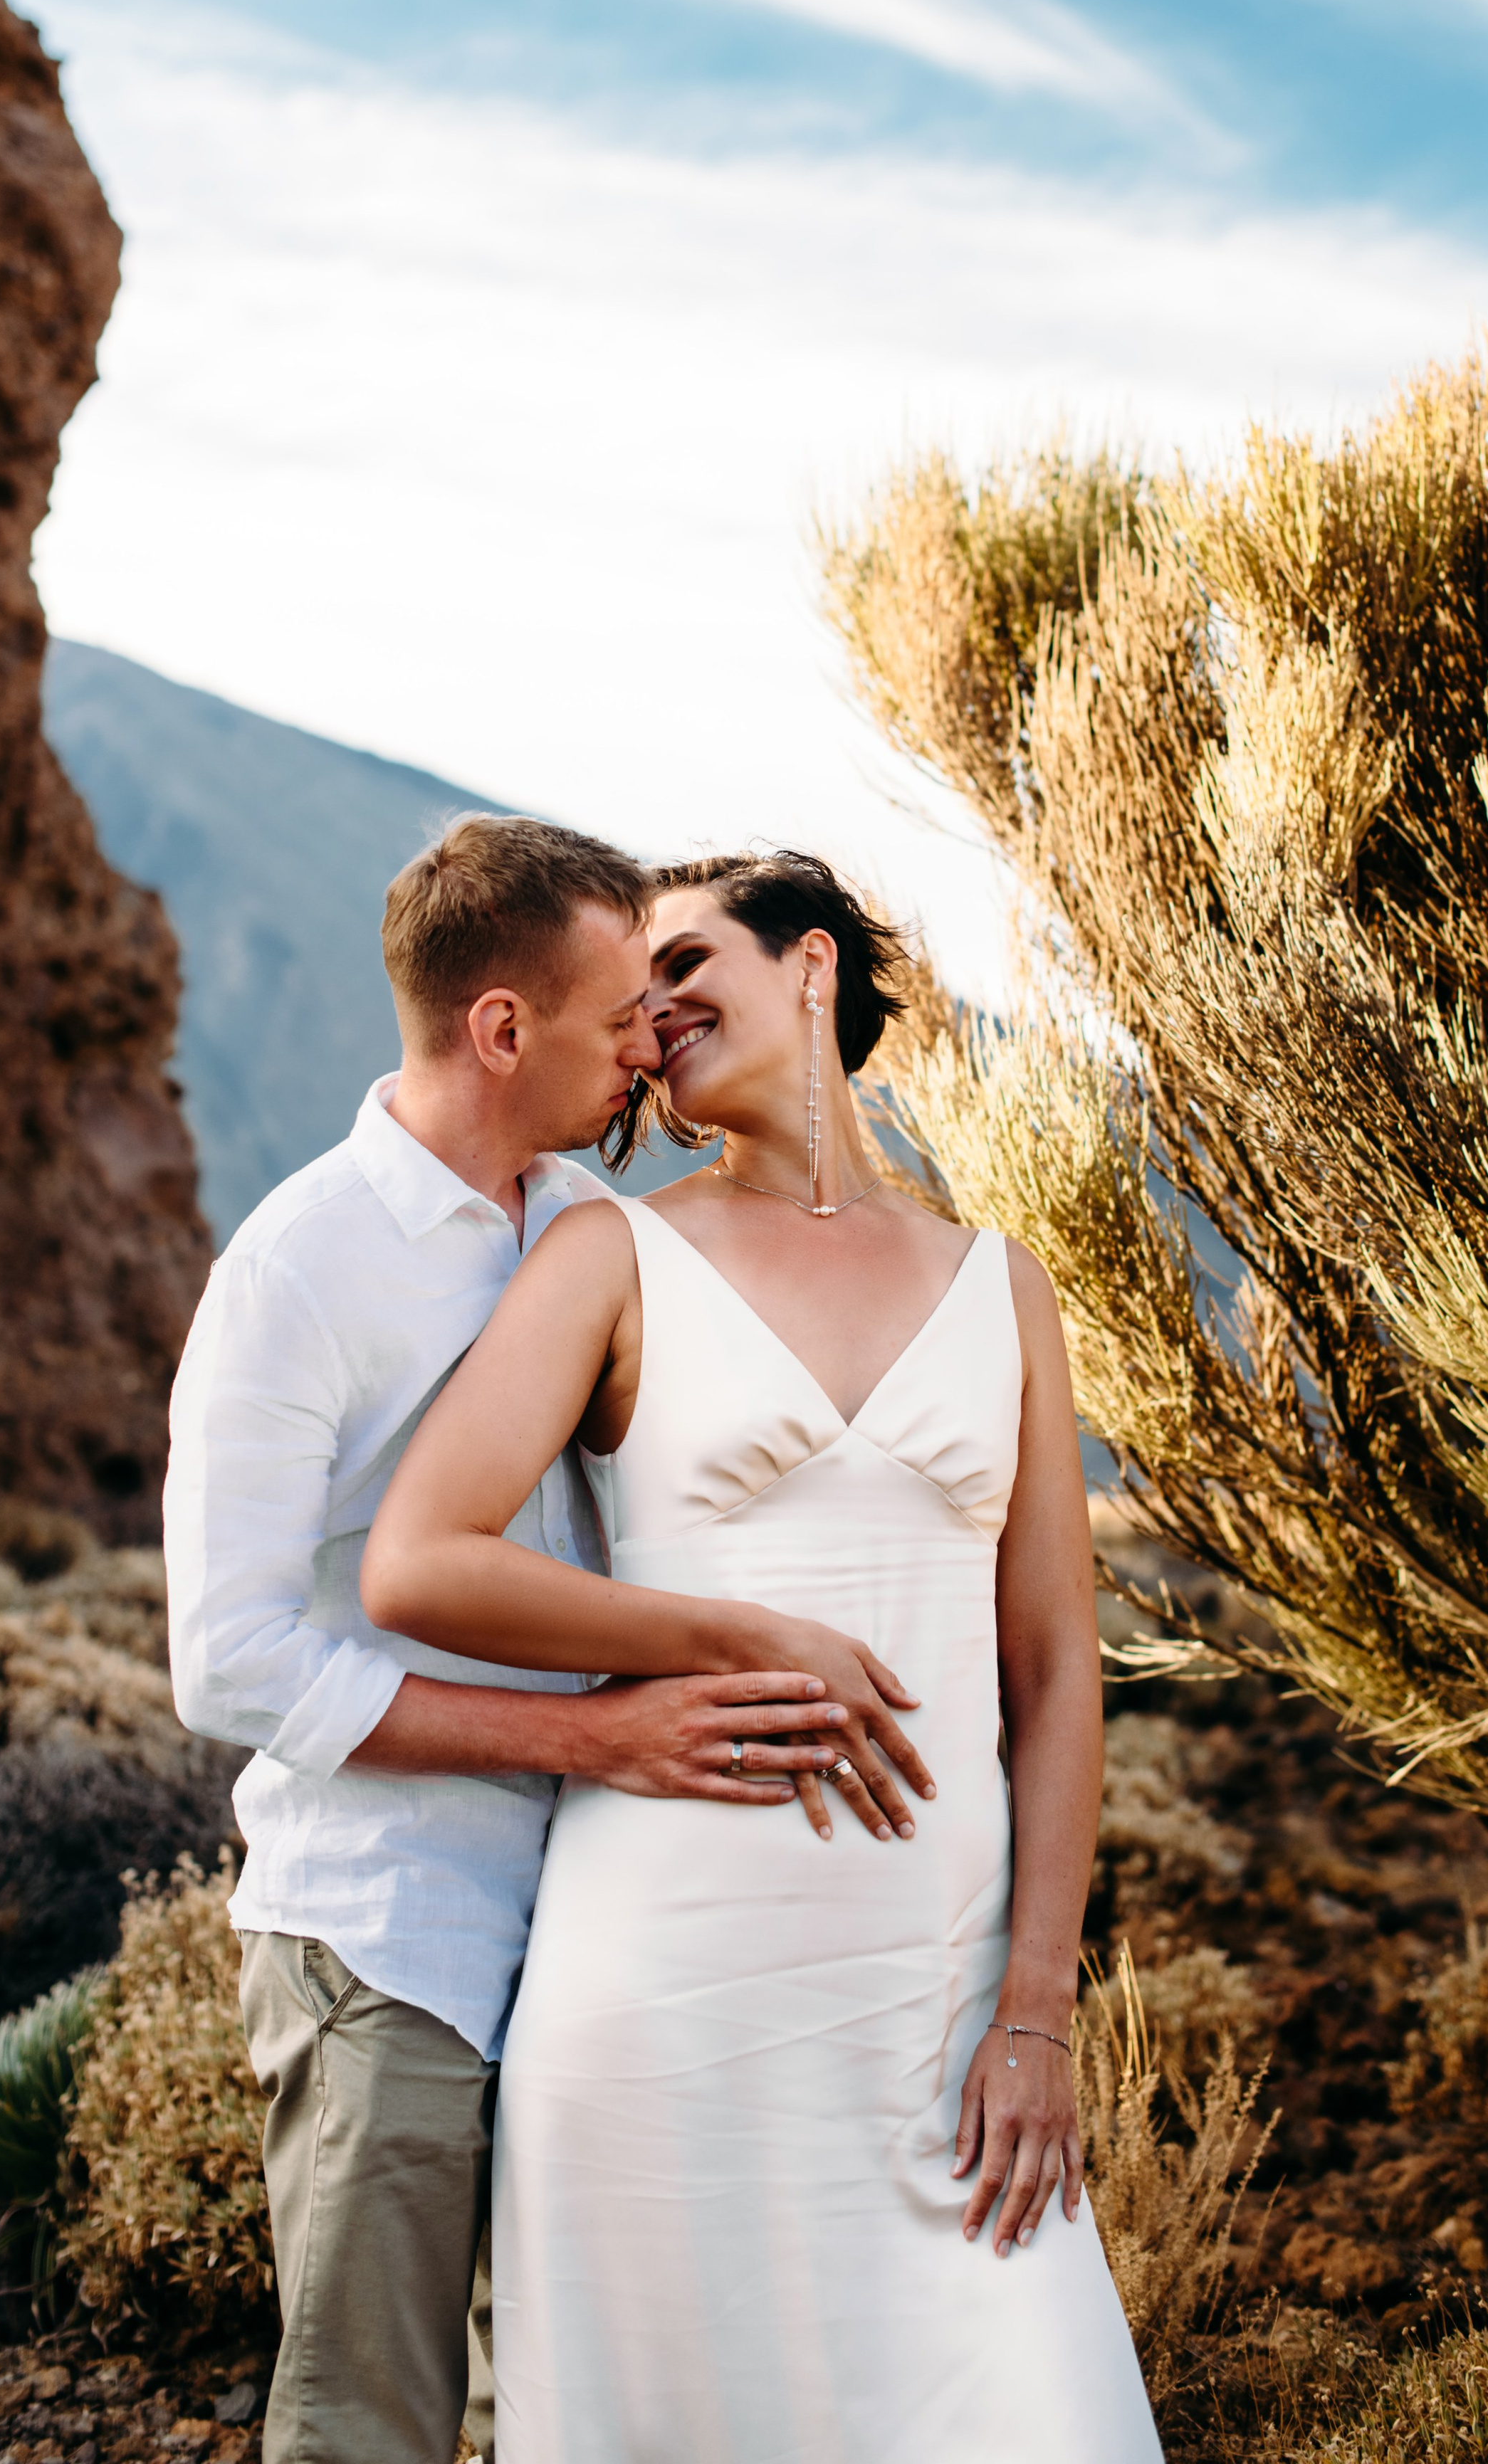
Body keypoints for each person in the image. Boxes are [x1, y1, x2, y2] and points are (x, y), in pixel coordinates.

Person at [362, 850, 1164, 2463]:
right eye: (630, 994)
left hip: (936, 2008)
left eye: (681, 962)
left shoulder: (1001, 1287)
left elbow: (1056, 1675)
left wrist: (1035, 2014)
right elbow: (416, 1559)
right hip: (663, 1995)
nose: (650, 1015)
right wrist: (727, 1632)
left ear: (807, 966)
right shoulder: (609, 1256)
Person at [164, 818, 928, 2464]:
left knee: (578, 2404)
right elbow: (225, 1661)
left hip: (605, 1929)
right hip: (392, 1940)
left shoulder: (588, 1222)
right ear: (500, 1030)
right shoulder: (298, 1269)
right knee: (371, 2420)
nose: (646, 1047)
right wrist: (589, 1737)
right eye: (613, 1020)